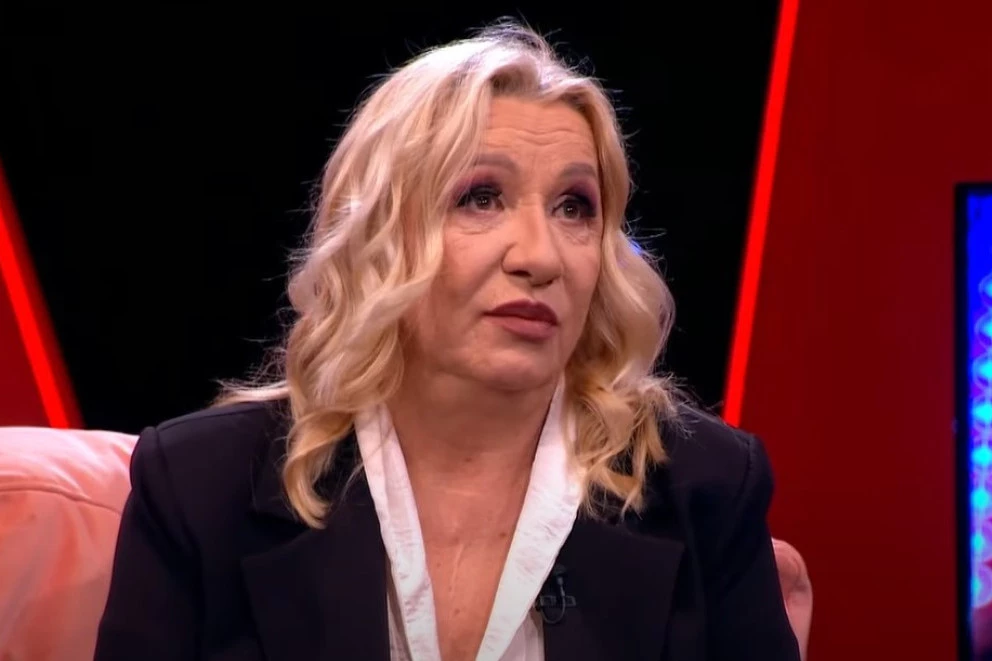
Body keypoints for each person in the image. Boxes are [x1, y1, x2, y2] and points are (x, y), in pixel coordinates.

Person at [94, 20, 800, 661]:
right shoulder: (200, 488)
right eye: (480, 197)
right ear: (379, 236)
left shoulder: (705, 487)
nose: (541, 256)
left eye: (574, 207)